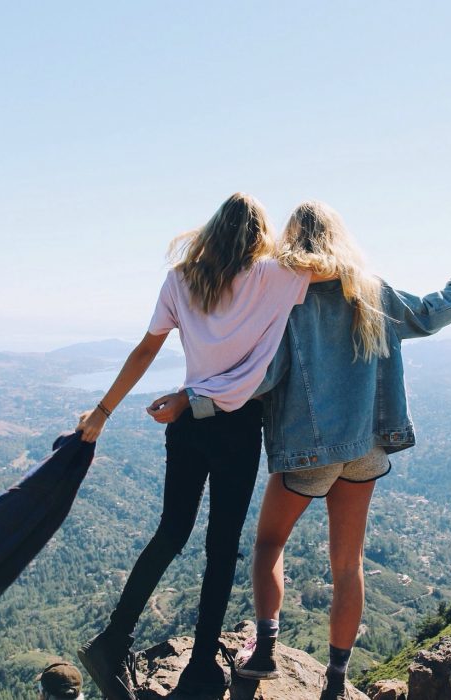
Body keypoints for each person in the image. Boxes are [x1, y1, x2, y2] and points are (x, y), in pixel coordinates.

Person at [211, 201, 451, 700]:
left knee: (269, 544)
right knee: (347, 564)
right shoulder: (370, 289)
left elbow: (266, 377)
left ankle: (265, 651)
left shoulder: (287, 299)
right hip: (367, 448)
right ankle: (335, 683)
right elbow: (428, 315)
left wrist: (203, 397)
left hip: (310, 452)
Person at [75, 193, 325, 700]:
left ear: (211, 231)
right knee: (221, 548)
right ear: (260, 235)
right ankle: (201, 669)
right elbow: (334, 270)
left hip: (187, 425)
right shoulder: (275, 277)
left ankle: (113, 638)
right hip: (236, 427)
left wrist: (102, 412)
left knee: (171, 532)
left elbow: (147, 349)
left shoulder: (181, 278)